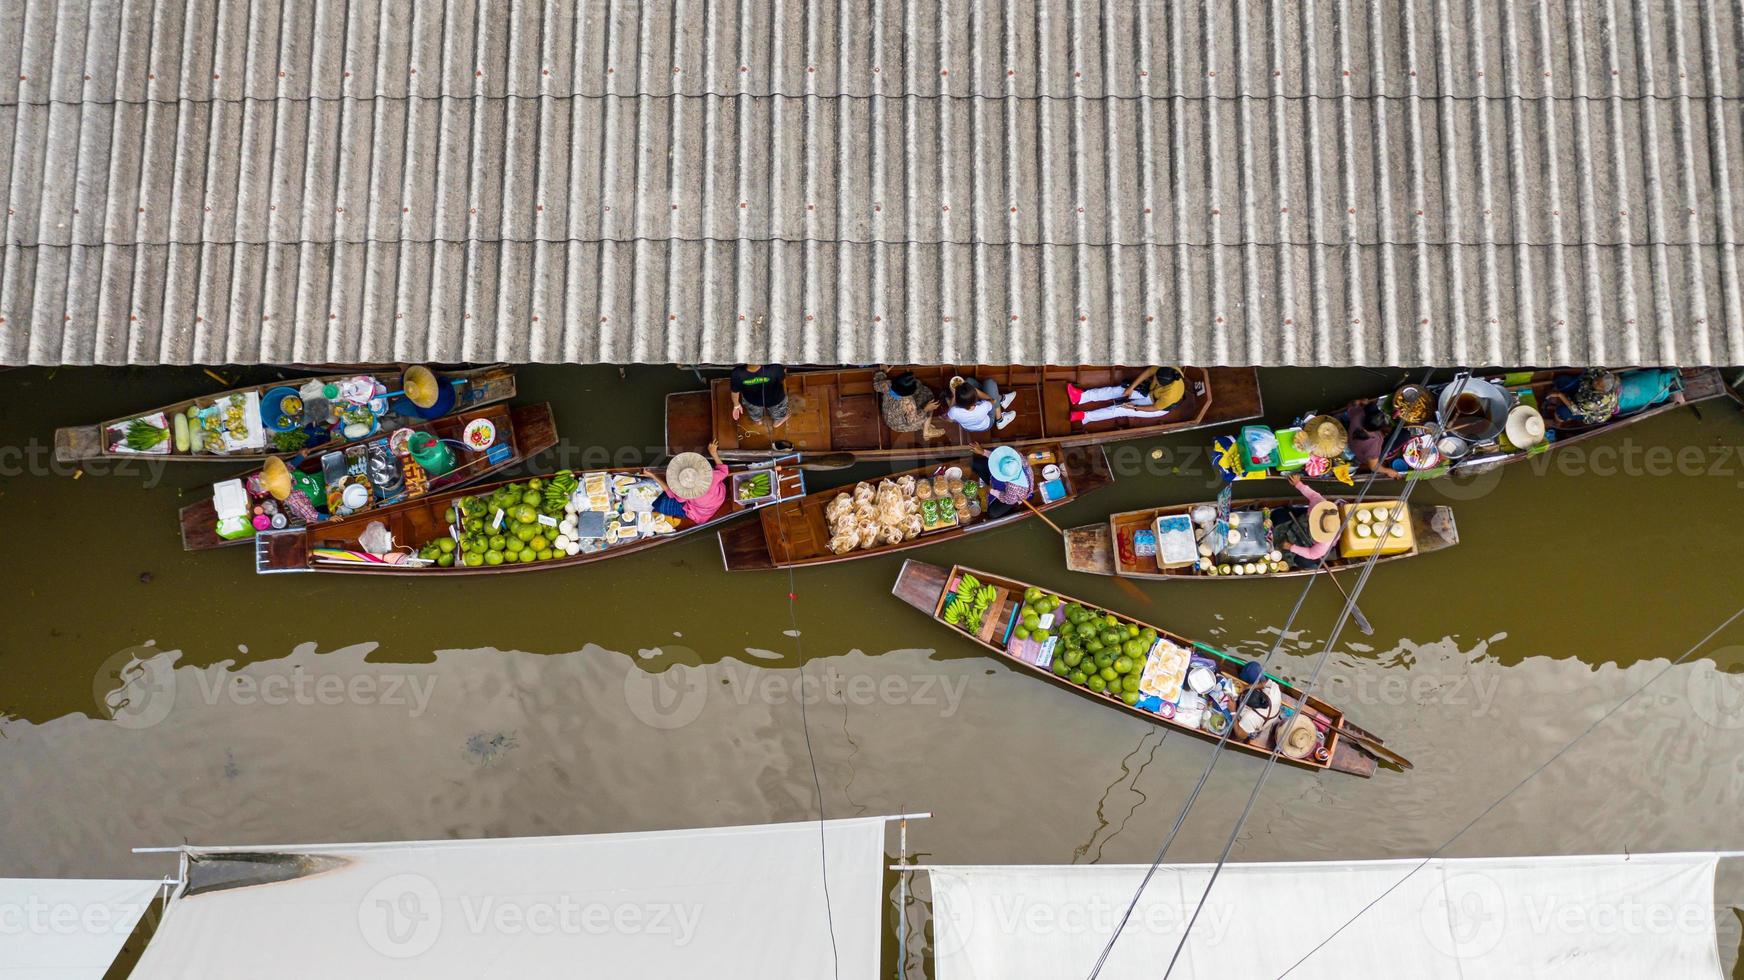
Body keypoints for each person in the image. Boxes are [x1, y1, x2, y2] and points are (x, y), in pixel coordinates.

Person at [1066, 367, 1191, 424]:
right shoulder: (1168, 369)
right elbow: (1148, 372)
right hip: (1150, 391)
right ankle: (1081, 397)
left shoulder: (1171, 395)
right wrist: (1130, 389)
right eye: (1156, 378)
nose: (1156, 380)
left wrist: (1134, 407)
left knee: (1120, 409)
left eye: (1158, 382)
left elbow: (1155, 408)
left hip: (1156, 406)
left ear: (1166, 385)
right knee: (1120, 389)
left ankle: (1084, 417)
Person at [645, 440, 729, 524]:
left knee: (661, 506)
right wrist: (713, 453)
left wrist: (654, 476)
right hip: (718, 499)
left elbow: (670, 494)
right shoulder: (712, 476)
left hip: (698, 513)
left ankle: (657, 509)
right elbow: (724, 471)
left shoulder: (685, 495)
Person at [1270, 473, 1340, 570]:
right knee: (1278, 514)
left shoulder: (1325, 542)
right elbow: (1312, 494)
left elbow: (1311, 553)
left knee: (1303, 562)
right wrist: (1298, 484)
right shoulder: (1321, 505)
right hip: (1300, 523)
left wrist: (1291, 547)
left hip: (1308, 543)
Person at [968, 444, 1032, 520]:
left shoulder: (1015, 488)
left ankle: (1013, 510)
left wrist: (991, 491)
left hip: (1012, 497)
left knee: (992, 513)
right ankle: (990, 482)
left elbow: (1007, 499)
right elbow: (999, 458)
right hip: (1004, 481)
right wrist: (983, 452)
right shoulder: (1016, 457)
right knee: (974, 464)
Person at [1541, 368, 1620, 426]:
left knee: (1561, 412)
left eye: (1599, 385)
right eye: (1597, 379)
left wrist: (1560, 395)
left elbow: (1576, 410)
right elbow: (1590, 370)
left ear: (1602, 391)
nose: (1595, 382)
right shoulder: (1603, 373)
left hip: (1587, 412)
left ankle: (1556, 423)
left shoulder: (1596, 401)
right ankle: (1556, 397)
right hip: (1584, 391)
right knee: (1561, 380)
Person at [872, 368, 938, 433]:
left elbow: (876, 385)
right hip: (900, 426)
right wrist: (926, 409)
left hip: (888, 418)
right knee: (928, 397)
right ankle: (926, 429)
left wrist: (882, 372)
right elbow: (912, 421)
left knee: (919, 387)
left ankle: (925, 427)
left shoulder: (887, 385)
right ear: (909, 393)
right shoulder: (908, 402)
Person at [947, 376, 1017, 433]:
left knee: (968, 381)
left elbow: (950, 420)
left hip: (968, 428)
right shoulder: (983, 406)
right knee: (990, 383)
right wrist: (974, 390)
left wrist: (954, 396)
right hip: (987, 424)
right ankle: (1000, 420)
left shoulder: (954, 411)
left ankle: (1002, 399)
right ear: (976, 399)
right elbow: (993, 400)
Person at [729, 363, 788, 428]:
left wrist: (736, 405)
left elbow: (735, 392)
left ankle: (758, 421)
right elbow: (782, 377)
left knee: (754, 413)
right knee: (779, 413)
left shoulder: (736, 373)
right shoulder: (775, 367)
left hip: (752, 402)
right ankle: (778, 421)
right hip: (775, 400)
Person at [1342, 401, 1392, 473]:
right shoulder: (1374, 445)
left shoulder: (1358, 414)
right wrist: (1388, 471)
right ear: (1378, 429)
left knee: (1371, 406)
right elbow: (1373, 467)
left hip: (1351, 442)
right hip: (1358, 455)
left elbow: (1351, 405)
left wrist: (1360, 402)